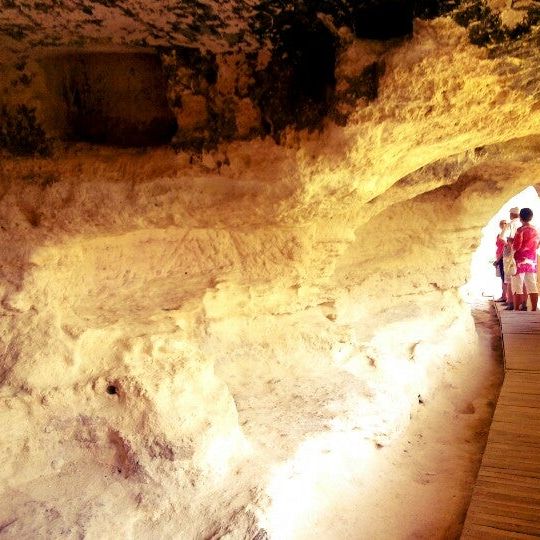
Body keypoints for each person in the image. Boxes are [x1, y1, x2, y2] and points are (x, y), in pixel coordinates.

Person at [510, 207, 539, 311]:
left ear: (520, 217)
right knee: (532, 285)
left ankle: (516, 309)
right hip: (531, 260)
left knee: (517, 285)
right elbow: (538, 245)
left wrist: (511, 242)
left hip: (520, 260)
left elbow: (516, 246)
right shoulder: (536, 230)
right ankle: (534, 309)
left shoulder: (520, 230)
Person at [494, 220, 508, 302]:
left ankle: (504, 296)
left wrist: (498, 259)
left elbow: (505, 249)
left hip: (502, 257)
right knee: (502, 278)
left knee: (504, 278)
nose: (503, 224)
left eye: (505, 223)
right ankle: (503, 295)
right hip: (499, 257)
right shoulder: (499, 235)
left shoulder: (505, 236)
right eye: (502, 223)